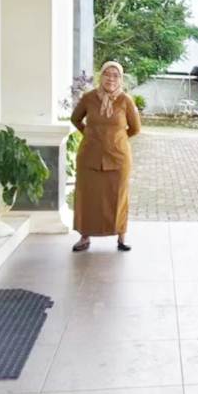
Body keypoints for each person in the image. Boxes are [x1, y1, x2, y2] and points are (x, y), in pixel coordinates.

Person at [70, 61, 141, 252]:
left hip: (118, 158)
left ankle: (121, 236)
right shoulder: (89, 98)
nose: (111, 78)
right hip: (89, 157)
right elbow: (75, 119)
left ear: (121, 79)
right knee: (88, 197)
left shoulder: (125, 100)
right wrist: (89, 135)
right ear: (101, 76)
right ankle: (84, 237)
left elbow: (135, 128)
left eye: (115, 75)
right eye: (107, 74)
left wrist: (117, 140)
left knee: (118, 197)